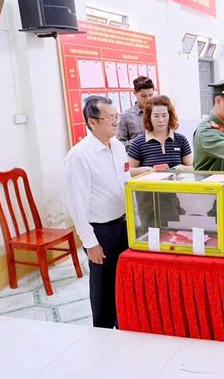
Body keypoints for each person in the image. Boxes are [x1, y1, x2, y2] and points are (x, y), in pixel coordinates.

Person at [63, 96, 130, 328]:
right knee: (103, 286)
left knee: (123, 282)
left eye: (116, 116)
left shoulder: (118, 147)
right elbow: (76, 204)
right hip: (101, 231)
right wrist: (90, 243)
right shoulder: (79, 156)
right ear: (92, 122)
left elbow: (125, 182)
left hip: (124, 225)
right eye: (109, 117)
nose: (115, 121)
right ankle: (102, 331)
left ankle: (123, 325)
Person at [127, 95, 193, 171]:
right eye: (156, 116)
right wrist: (144, 170)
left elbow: (192, 167)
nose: (161, 120)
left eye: (164, 115)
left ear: (170, 116)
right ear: (149, 117)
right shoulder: (138, 142)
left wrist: (183, 168)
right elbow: (128, 171)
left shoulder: (181, 140)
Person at [117, 76, 155, 148]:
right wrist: (140, 141)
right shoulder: (125, 116)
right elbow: (119, 145)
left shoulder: (158, 113)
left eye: (150, 95)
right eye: (144, 96)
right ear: (135, 93)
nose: (148, 99)